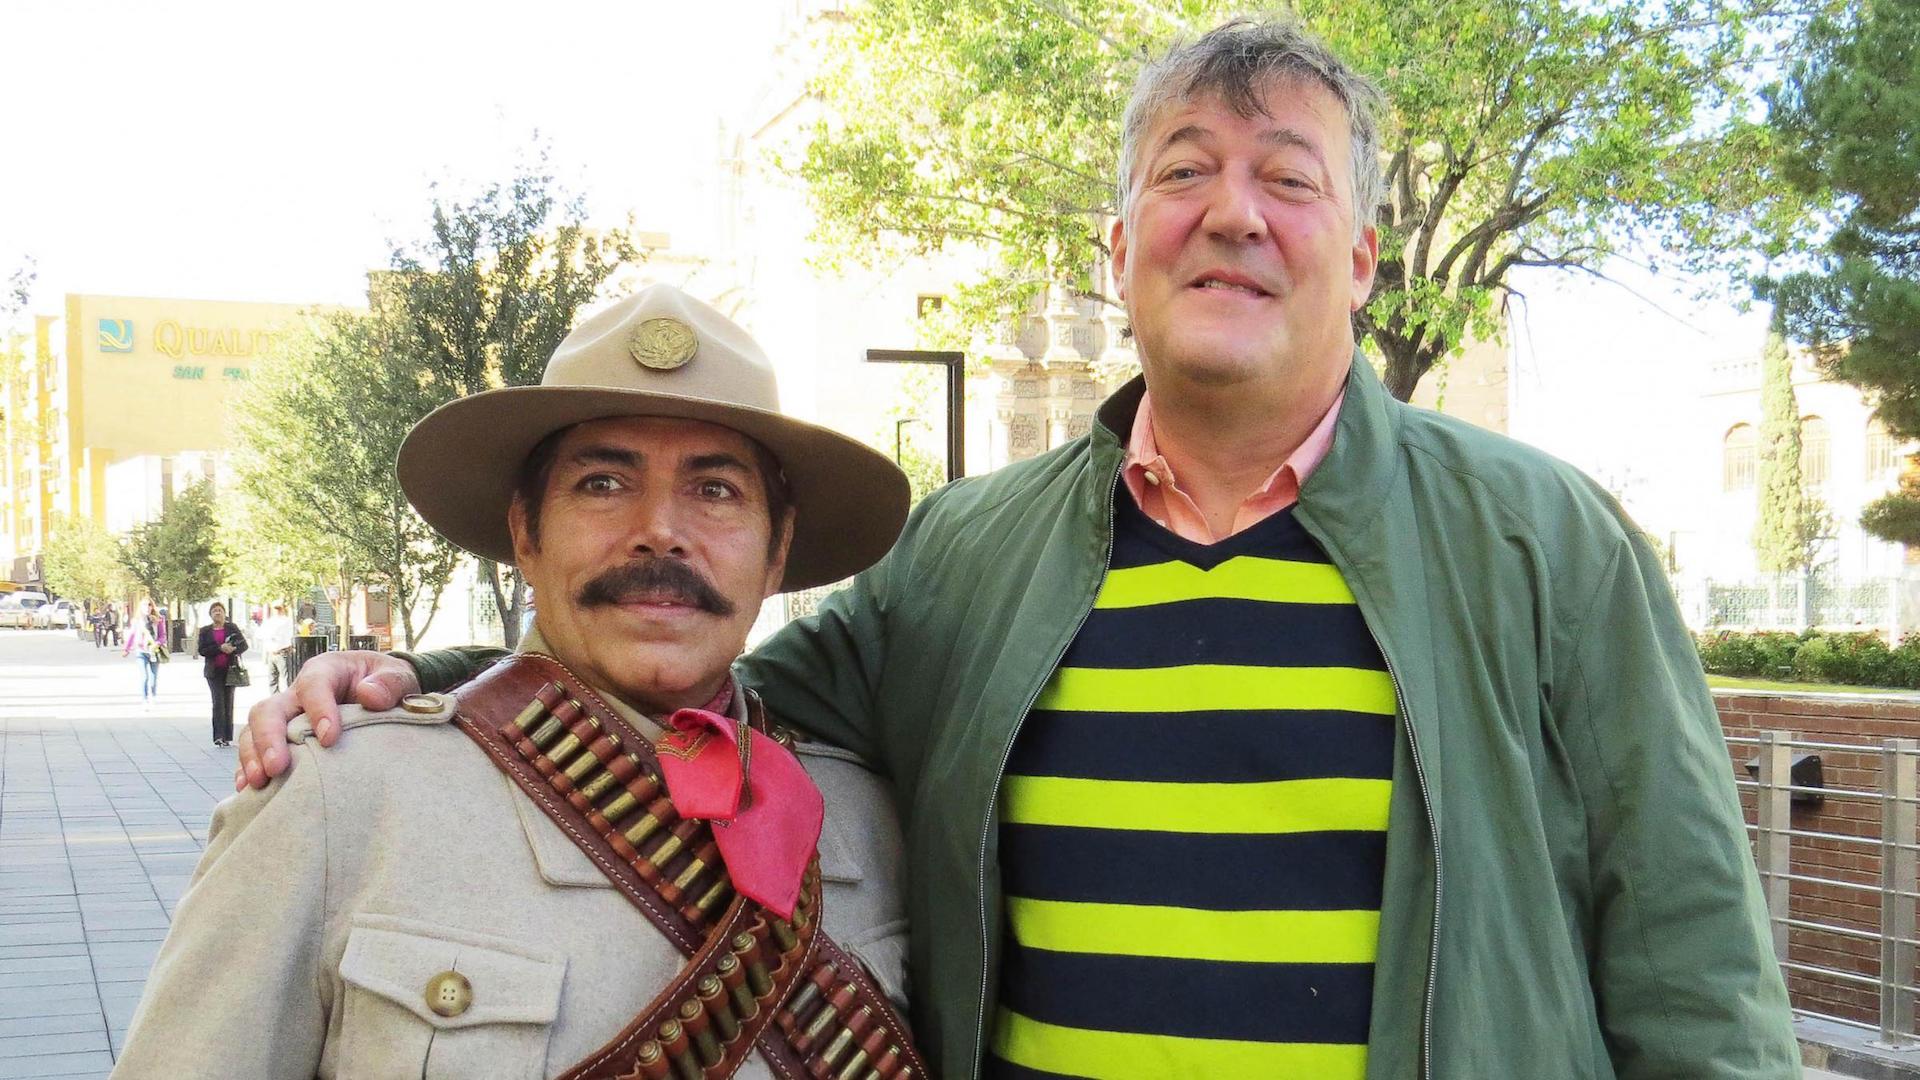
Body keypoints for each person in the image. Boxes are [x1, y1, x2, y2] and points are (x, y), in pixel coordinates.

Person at [239, 19, 1798, 1078]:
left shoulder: (1545, 543)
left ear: (1364, 257)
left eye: (1287, 179)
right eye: (1183, 171)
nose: (1231, 214)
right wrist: (414, 675)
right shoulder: (972, 555)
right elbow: (706, 680)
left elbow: (1691, 961)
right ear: (1120, 251)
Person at [115, 285, 926, 1079]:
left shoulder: (865, 817)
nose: (660, 533)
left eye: (716, 491)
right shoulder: (336, 799)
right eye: (603, 484)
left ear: (776, 553)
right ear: (525, 535)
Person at [195, 602, 248, 747]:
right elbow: (202, 650)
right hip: (213, 671)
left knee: (228, 702)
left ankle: (227, 736)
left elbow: (244, 645)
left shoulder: (232, 628)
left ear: (224, 613)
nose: (217, 613)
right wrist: (219, 648)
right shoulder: (205, 631)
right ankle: (218, 736)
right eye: (214, 611)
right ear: (210, 615)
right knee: (218, 702)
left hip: (230, 669)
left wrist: (233, 649)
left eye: (220, 610)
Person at [122, 600, 163, 708]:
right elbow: (131, 635)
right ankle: (144, 699)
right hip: (141, 651)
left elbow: (163, 636)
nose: (147, 607)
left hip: (154, 652)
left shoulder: (159, 620)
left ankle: (153, 696)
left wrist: (157, 643)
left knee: (153, 678)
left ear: (152, 607)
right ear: (141, 607)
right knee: (144, 677)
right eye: (145, 605)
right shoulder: (137, 621)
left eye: (149, 605)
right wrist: (127, 648)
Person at [256, 602, 295, 693]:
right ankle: (275, 699)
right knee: (273, 680)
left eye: (279, 608)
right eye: (275, 608)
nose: (277, 611)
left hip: (282, 652)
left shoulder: (286, 620)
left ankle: (286, 700)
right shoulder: (270, 621)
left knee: (285, 679)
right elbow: (260, 634)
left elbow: (286, 634)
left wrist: (271, 635)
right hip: (272, 653)